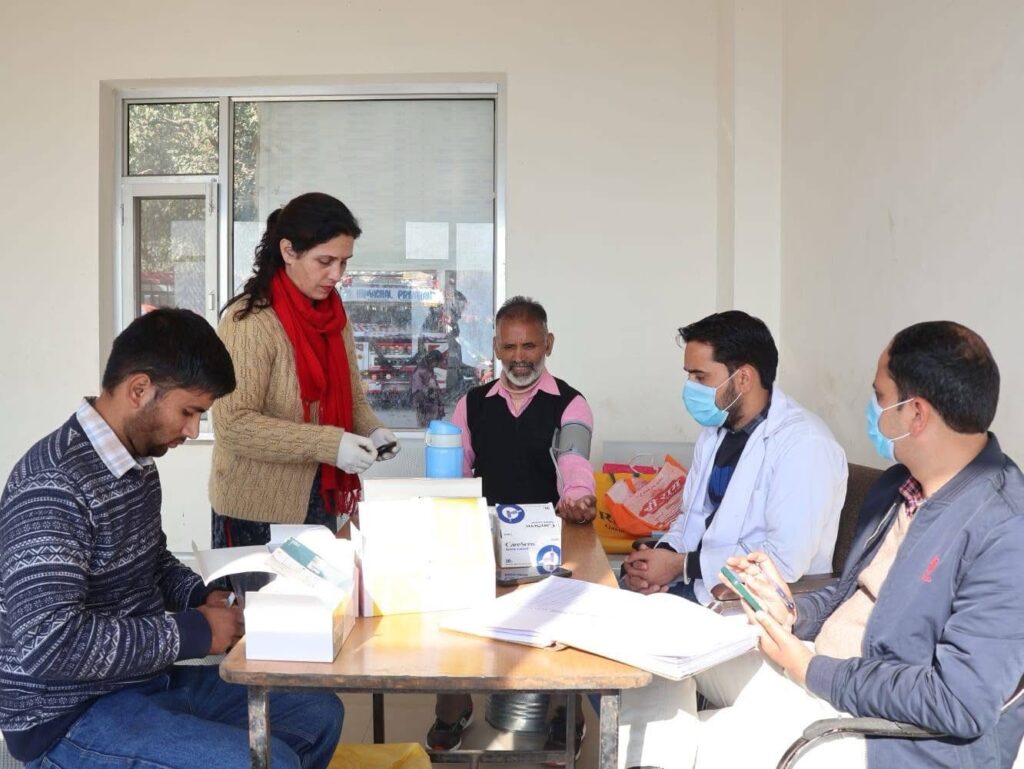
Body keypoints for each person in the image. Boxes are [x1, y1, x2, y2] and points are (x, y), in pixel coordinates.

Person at [626, 320, 1024, 769]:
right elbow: (849, 592)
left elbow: (960, 703)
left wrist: (811, 669)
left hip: (891, 734)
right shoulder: (900, 487)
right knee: (653, 646)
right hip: (825, 674)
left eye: (879, 396)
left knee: (701, 743)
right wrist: (792, 613)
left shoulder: (1005, 529)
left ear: (916, 414)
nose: (873, 411)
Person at [0, 309, 343, 769]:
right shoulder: (53, 484)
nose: (192, 431)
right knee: (268, 761)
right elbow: (50, 644)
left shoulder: (136, 464)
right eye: (189, 412)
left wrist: (203, 595)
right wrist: (195, 631)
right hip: (67, 718)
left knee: (318, 712)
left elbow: (153, 561)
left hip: (142, 682)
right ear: (139, 390)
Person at [427, 296, 597, 758]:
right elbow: (456, 472)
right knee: (459, 624)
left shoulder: (571, 403)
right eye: (510, 347)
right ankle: (453, 707)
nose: (520, 357)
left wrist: (578, 496)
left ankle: (567, 714)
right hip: (484, 536)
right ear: (496, 347)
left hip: (550, 539)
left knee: (562, 628)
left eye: (530, 346)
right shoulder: (472, 405)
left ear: (549, 344)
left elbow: (574, 460)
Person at [210, 192, 400, 548]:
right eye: (325, 261)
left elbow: (352, 400)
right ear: (288, 251)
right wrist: (331, 443)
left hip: (319, 497)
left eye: (344, 262)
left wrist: (373, 430)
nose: (336, 274)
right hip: (254, 511)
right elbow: (233, 424)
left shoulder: (334, 317)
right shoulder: (249, 322)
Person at [622, 311, 847, 604]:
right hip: (699, 584)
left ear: (743, 378)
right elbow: (691, 517)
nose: (690, 386)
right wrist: (658, 559)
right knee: (612, 594)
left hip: (748, 603)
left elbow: (785, 559)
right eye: (688, 375)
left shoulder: (805, 444)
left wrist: (681, 566)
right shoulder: (716, 431)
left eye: (700, 376)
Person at [411, 349, 444, 427]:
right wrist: (431, 390)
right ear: (433, 360)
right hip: (424, 406)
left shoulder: (428, 369)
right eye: (437, 363)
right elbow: (418, 390)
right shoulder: (421, 371)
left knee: (432, 427)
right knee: (425, 428)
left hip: (430, 405)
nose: (437, 365)